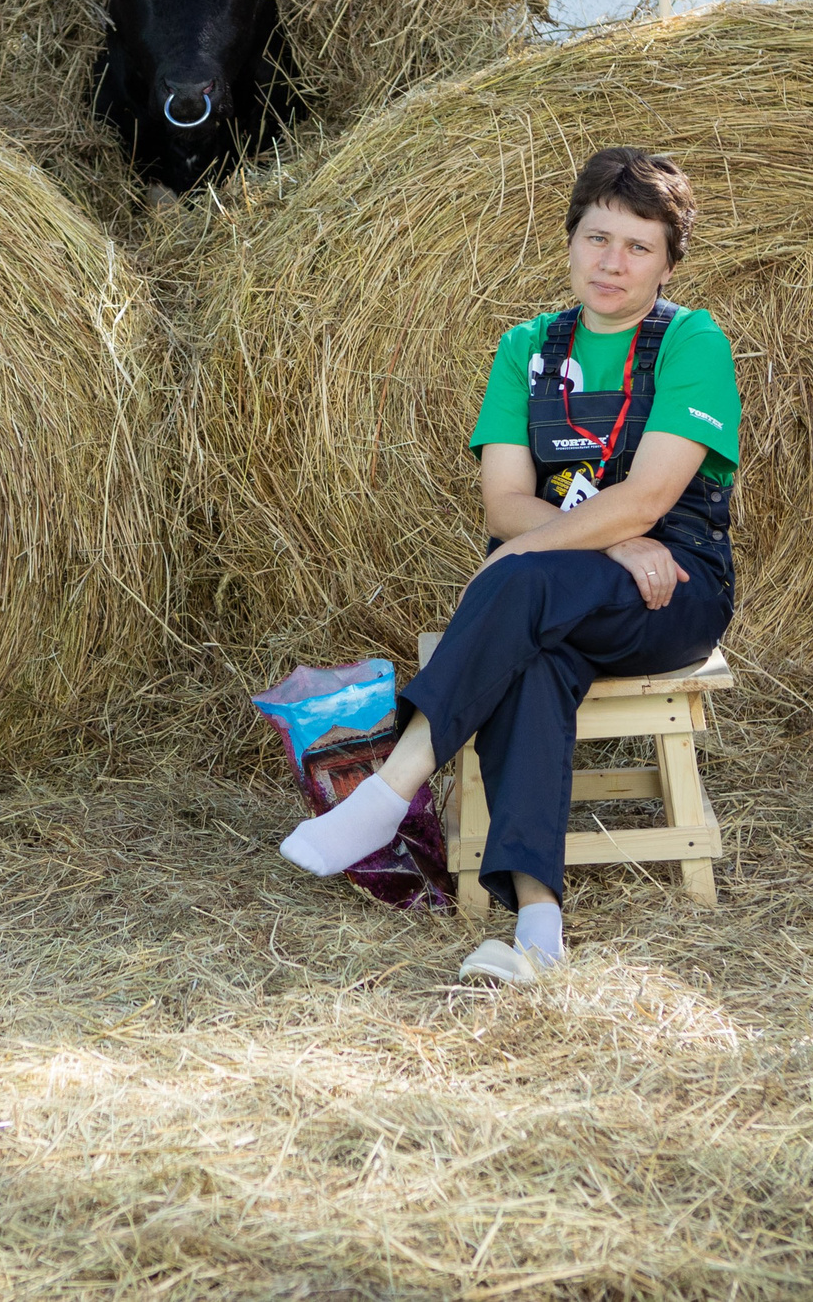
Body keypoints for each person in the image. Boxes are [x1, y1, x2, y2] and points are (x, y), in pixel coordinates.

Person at [278, 148, 739, 984]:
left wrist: (598, 535)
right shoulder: (525, 348)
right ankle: (538, 928)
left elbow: (647, 501)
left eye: (639, 246)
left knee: (515, 577)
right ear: (569, 243)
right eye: (597, 237)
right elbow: (503, 505)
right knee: (530, 654)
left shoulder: (692, 341)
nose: (613, 261)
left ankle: (389, 790)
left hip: (671, 587)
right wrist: (604, 534)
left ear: (670, 261)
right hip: (560, 588)